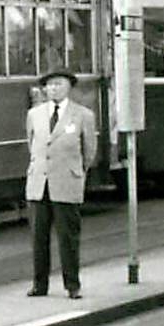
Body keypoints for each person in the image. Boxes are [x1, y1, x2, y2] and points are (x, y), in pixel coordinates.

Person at [25, 69, 99, 300]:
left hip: (66, 183)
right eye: (50, 85)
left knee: (68, 238)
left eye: (59, 84)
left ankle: (72, 285)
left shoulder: (83, 115)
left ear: (69, 87)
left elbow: (89, 151)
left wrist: (75, 172)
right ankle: (39, 284)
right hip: (39, 184)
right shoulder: (34, 114)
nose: (54, 89)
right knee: (39, 239)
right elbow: (33, 145)